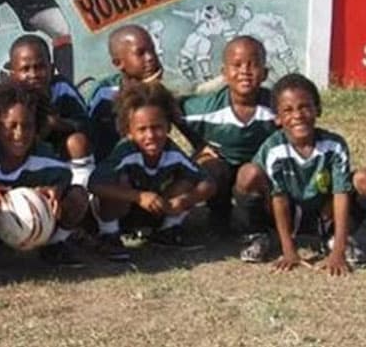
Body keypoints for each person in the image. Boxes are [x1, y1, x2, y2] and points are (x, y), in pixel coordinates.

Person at [233, 73, 366, 274]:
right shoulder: (274, 149)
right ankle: (257, 235)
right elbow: (279, 199)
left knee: (362, 178)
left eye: (304, 107)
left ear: (317, 109)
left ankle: (346, 241)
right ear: (278, 118)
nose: (297, 115)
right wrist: (289, 252)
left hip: (324, 212)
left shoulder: (334, 145)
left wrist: (337, 253)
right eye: (288, 110)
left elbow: (341, 195)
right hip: (289, 211)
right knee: (248, 173)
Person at [0, 78, 89, 269]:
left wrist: (55, 191)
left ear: (37, 126)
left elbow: (64, 175)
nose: (20, 134)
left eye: (27, 126)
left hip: (37, 225)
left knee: (78, 196)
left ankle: (55, 244)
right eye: (12, 126)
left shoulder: (44, 159)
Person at [90, 81, 216, 252]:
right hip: (124, 211)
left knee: (187, 181)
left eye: (157, 127)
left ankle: (168, 230)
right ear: (129, 131)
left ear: (168, 127)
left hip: (155, 210)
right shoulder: (125, 152)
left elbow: (208, 182)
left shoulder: (172, 152)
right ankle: (109, 234)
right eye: (142, 129)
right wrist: (138, 196)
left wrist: (186, 200)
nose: (150, 135)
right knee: (117, 181)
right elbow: (94, 184)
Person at [181, 36, 275, 225]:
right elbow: (169, 111)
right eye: (237, 65)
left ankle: (252, 220)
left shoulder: (277, 106)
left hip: (256, 172)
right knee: (211, 168)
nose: (245, 71)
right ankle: (219, 215)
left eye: (253, 65)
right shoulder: (205, 108)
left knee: (252, 173)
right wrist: (198, 144)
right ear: (224, 73)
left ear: (265, 73)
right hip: (222, 168)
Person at [6, 34, 94, 186]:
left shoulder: (61, 89)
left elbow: (87, 126)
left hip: (59, 154)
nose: (33, 75)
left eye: (39, 67)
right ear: (13, 75)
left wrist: (58, 124)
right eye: (25, 69)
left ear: (52, 69)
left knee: (77, 141)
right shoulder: (7, 99)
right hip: (24, 155)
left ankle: (82, 190)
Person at [86, 24, 163, 161]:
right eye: (140, 53)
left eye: (152, 50)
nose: (150, 57)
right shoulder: (105, 93)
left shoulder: (159, 90)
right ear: (118, 63)